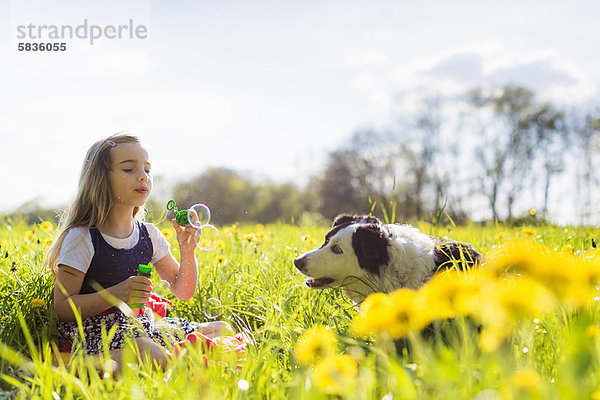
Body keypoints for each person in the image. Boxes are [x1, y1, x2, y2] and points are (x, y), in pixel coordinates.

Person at [44, 133, 231, 370]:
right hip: (98, 332)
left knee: (221, 329)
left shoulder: (149, 235)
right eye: (129, 169)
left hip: (141, 324)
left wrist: (187, 251)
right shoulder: (83, 238)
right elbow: (63, 309)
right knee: (150, 352)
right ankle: (74, 366)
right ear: (101, 179)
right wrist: (116, 293)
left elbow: (182, 290)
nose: (143, 176)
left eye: (147, 170)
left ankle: (168, 361)